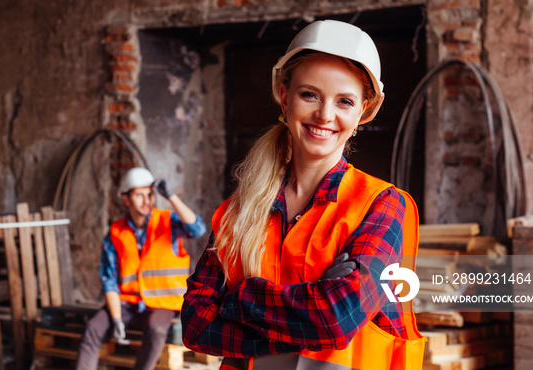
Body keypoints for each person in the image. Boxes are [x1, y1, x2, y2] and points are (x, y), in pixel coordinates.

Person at [181, 20, 426, 370]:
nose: (325, 115)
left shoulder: (381, 206)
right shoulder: (239, 211)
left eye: (344, 101)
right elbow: (194, 324)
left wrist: (237, 299)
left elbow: (336, 319)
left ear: (363, 112)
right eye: (309, 94)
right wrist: (307, 311)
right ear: (285, 96)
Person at [76, 167, 207, 370]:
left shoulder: (167, 221)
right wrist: (117, 318)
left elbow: (197, 229)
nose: (147, 200)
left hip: (164, 301)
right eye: (139, 195)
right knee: (93, 327)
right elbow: (108, 280)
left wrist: (170, 196)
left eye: (149, 194)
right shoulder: (116, 233)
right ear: (126, 199)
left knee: (155, 329)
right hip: (128, 302)